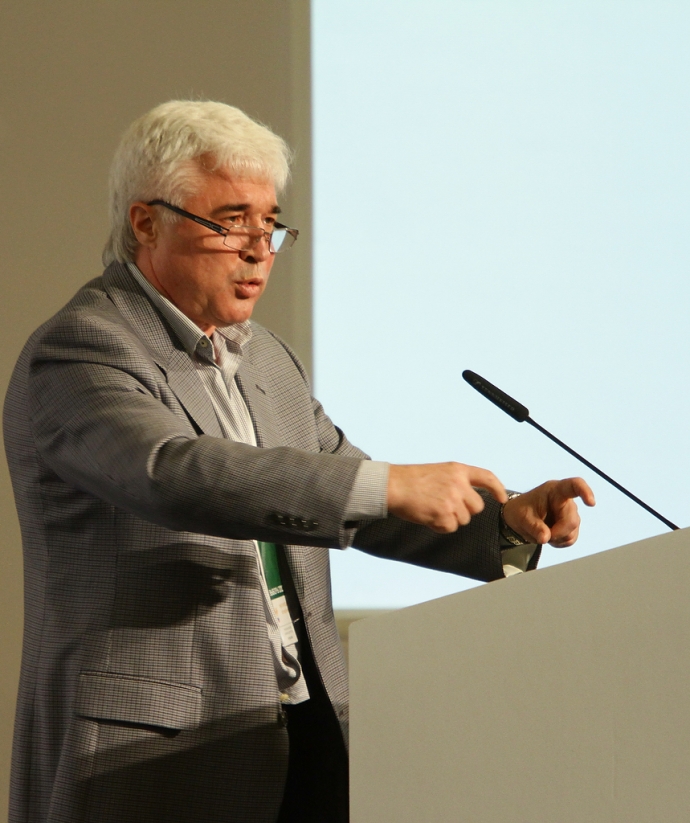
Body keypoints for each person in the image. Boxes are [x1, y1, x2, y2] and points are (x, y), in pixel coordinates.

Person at [3, 100, 595, 823]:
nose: (260, 250)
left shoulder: (267, 361)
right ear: (146, 223)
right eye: (231, 221)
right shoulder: (82, 348)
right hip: (151, 753)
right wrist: (387, 484)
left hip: (293, 729)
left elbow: (351, 500)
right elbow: (170, 472)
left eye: (270, 224)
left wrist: (502, 525)